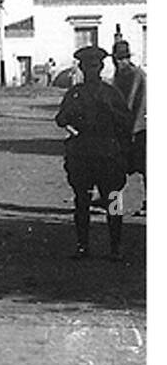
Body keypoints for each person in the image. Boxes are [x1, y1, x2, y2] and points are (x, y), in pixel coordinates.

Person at [55, 45, 132, 260]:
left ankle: (97, 247)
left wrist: (76, 132)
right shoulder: (100, 93)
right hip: (97, 155)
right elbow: (124, 123)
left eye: (92, 65)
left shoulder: (84, 93)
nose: (90, 69)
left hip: (93, 155)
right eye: (89, 66)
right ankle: (100, 247)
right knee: (100, 200)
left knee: (97, 200)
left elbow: (62, 120)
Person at [111, 40, 147, 215]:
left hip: (139, 131)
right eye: (117, 59)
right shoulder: (118, 77)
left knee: (146, 169)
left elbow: (139, 105)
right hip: (122, 131)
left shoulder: (137, 75)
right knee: (114, 171)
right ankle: (113, 207)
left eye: (122, 59)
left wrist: (133, 130)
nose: (119, 63)